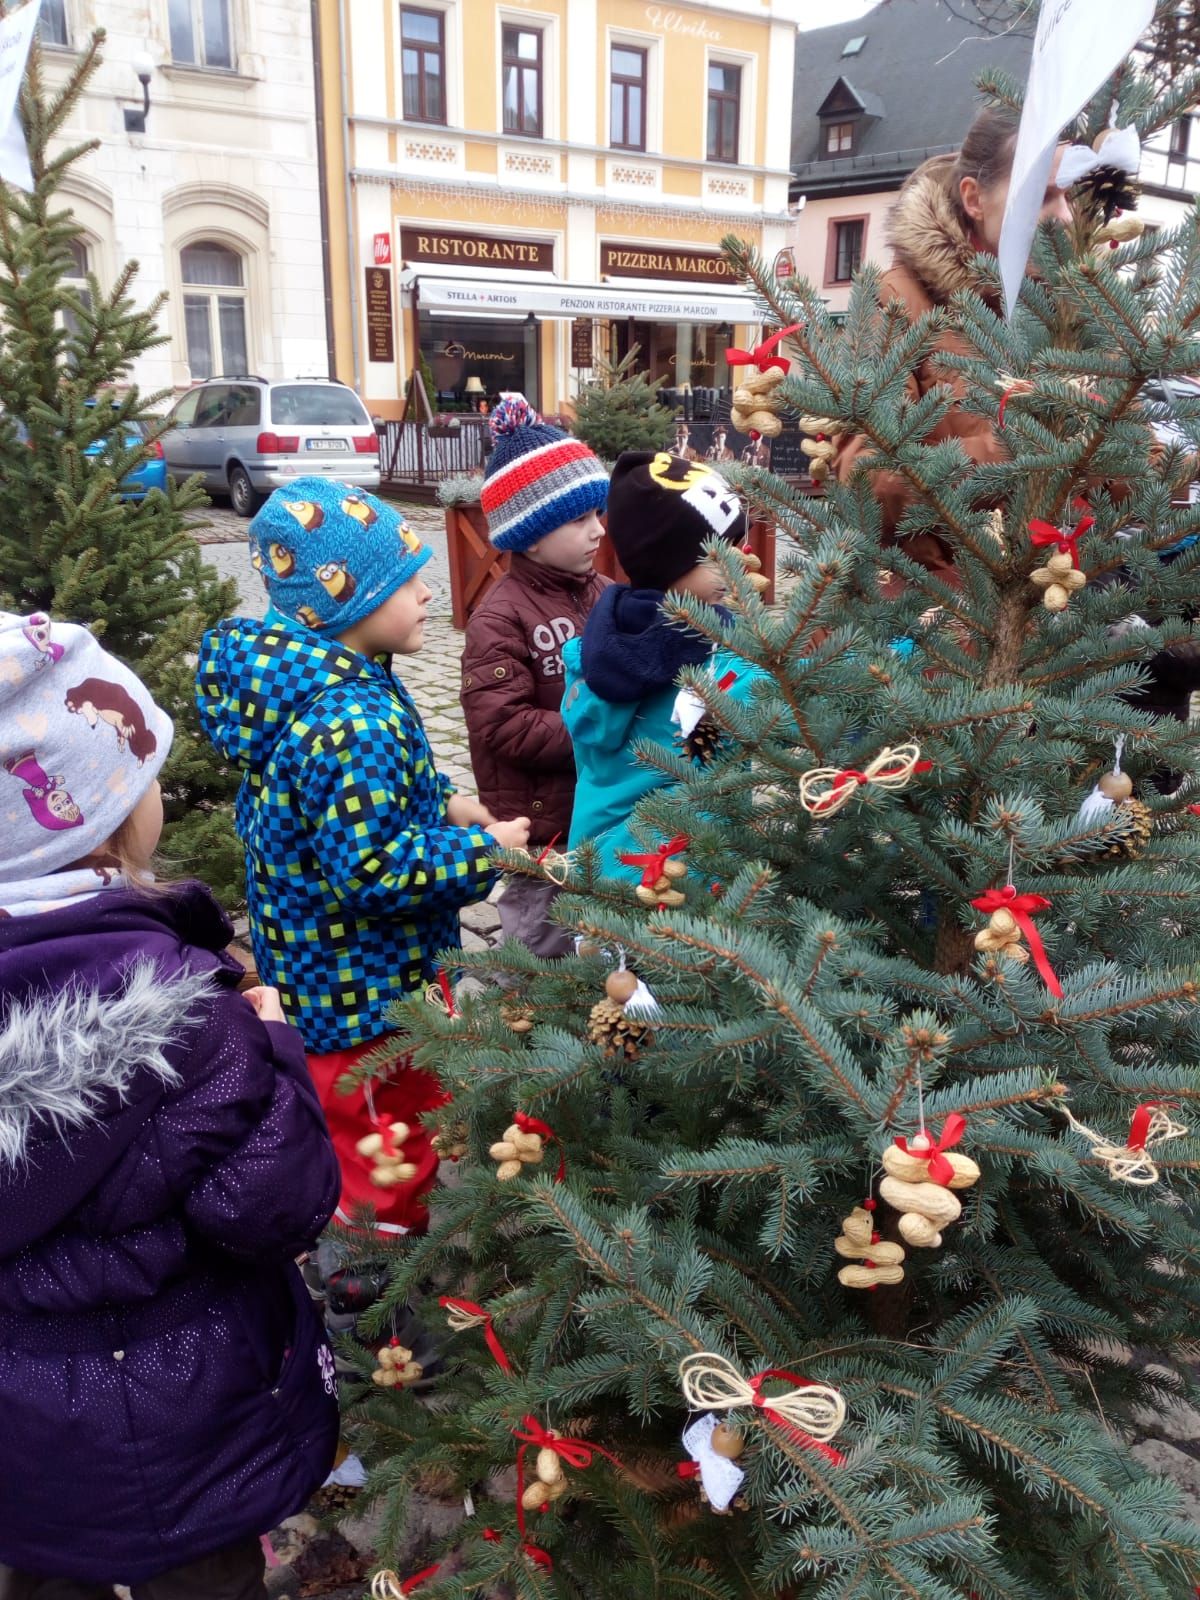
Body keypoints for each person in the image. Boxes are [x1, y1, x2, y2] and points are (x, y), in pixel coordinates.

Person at [0, 611, 340, 1600]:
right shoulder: (190, 1017)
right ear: (100, 815)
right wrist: (272, 1041)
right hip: (192, 1419)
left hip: (22, 1430)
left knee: (44, 1570)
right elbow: (274, 1207)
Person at [196, 481, 530, 1239]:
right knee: (377, 1145)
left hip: (326, 972)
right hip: (360, 995)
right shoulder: (351, 718)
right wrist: (485, 850)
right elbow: (374, 869)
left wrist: (445, 801)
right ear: (346, 600)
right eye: (406, 581)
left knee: (386, 1125)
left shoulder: (327, 680)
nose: (425, 593)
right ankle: (374, 1297)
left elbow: (364, 794)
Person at [834, 104, 1073, 580]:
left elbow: (1139, 466)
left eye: (1070, 195)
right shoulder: (897, 302)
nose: (1065, 217)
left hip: (1071, 618)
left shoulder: (1068, 313)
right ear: (974, 198)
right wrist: (1009, 454)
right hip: (945, 618)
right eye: (1042, 196)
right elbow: (862, 484)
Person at [562, 451, 765, 876]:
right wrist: (903, 648)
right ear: (667, 562)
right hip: (673, 880)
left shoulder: (603, 644)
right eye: (716, 557)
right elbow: (797, 697)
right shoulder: (709, 663)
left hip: (599, 869)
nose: (736, 567)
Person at [462, 396, 611, 956]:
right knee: (540, 941)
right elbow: (501, 723)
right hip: (542, 830)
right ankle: (521, 1025)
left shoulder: (604, 594)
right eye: (579, 519)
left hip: (601, 809)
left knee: (603, 935)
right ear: (529, 534)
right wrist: (596, 728)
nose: (598, 530)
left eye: (598, 513)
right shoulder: (499, 617)